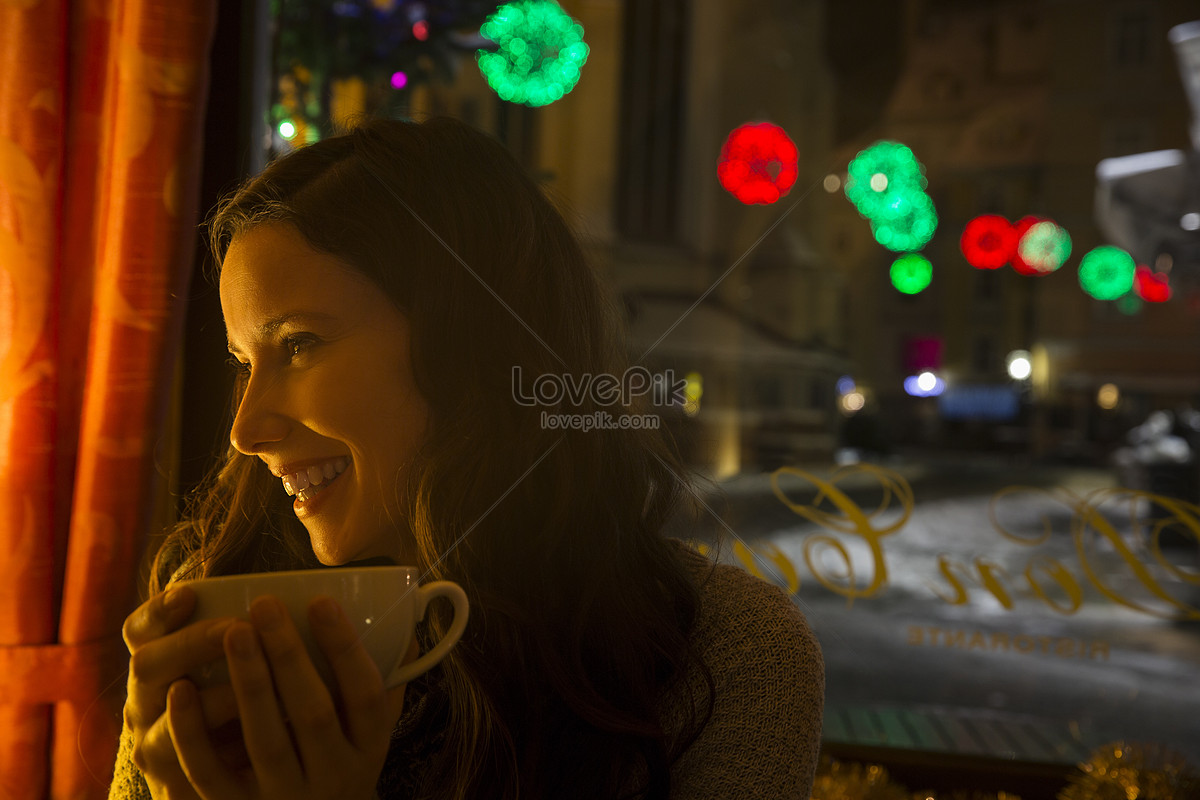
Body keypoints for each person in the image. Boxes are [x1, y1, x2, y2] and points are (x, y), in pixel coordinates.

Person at [109, 116, 824, 799]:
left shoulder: (726, 655)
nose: (246, 429)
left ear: (472, 351)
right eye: (243, 362)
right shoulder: (215, 590)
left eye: (299, 344)